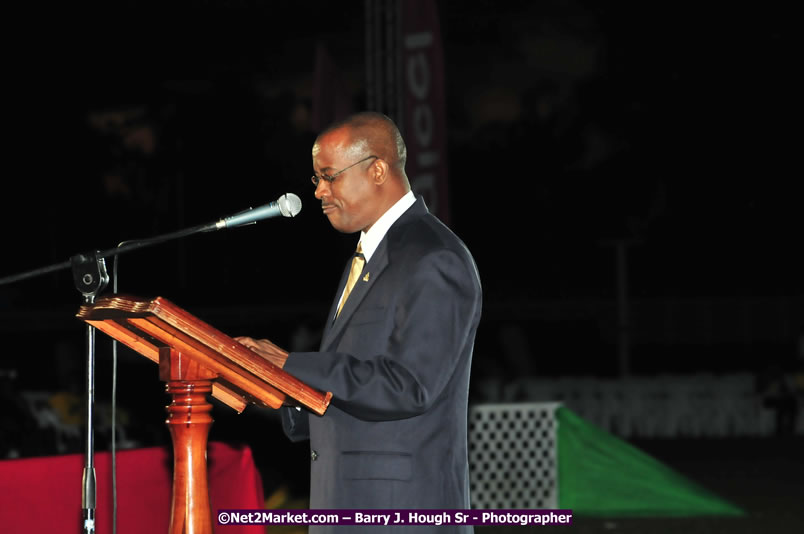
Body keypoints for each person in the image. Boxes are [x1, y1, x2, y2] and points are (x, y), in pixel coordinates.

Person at [237, 111, 481, 532]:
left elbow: (410, 385)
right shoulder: (371, 252)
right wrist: (276, 389)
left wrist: (290, 364)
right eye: (317, 179)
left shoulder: (431, 256)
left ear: (378, 170)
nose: (318, 192)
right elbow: (351, 388)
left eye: (329, 176)